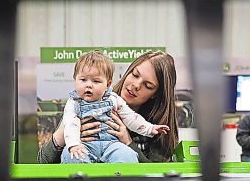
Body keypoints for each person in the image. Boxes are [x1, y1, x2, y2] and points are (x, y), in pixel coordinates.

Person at [38, 50, 179, 163]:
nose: (135, 85)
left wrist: (128, 142)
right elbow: (42, 162)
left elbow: (157, 173)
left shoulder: (158, 126)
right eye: (135, 75)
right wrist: (66, 135)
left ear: (156, 94)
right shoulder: (78, 102)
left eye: (147, 85)